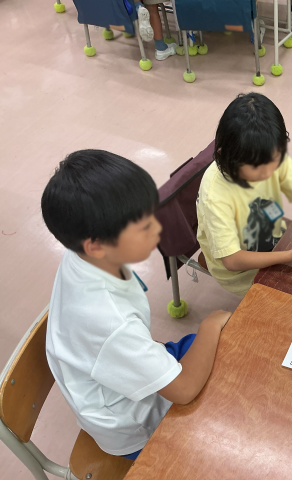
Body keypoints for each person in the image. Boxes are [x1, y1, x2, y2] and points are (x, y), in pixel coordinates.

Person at [42, 150, 231, 460]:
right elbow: (184, 390)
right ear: (97, 245)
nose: (157, 228)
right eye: (143, 226)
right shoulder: (109, 321)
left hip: (130, 371)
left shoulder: (82, 253)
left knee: (232, 350)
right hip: (135, 429)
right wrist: (209, 324)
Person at [196, 93, 292, 297]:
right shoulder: (215, 196)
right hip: (241, 272)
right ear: (226, 155)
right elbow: (232, 260)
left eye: (274, 162)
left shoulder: (265, 154)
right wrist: (289, 255)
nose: (268, 173)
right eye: (257, 168)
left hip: (274, 241)